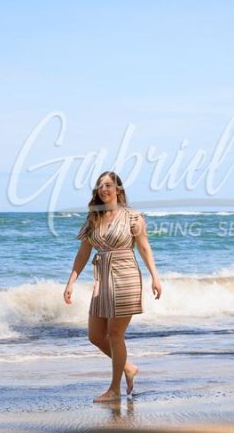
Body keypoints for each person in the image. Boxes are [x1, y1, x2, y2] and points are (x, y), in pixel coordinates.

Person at [63, 171, 162, 402]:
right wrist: (71, 281)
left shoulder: (133, 217)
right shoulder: (93, 219)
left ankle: (114, 389)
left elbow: (144, 248)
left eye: (108, 185)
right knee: (96, 335)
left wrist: (155, 277)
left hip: (126, 276)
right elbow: (83, 254)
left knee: (115, 334)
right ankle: (128, 367)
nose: (104, 189)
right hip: (102, 279)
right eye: (100, 186)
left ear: (118, 189)